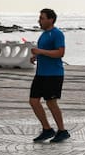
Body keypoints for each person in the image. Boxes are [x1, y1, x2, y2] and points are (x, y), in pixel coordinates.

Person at [29, 8, 69, 143]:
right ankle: (47, 129)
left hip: (53, 74)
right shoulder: (44, 34)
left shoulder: (57, 34)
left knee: (51, 102)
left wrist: (40, 51)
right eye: (39, 18)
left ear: (50, 20)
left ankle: (62, 131)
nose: (39, 21)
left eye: (42, 18)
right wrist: (36, 56)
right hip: (41, 74)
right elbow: (46, 51)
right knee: (33, 101)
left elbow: (60, 53)